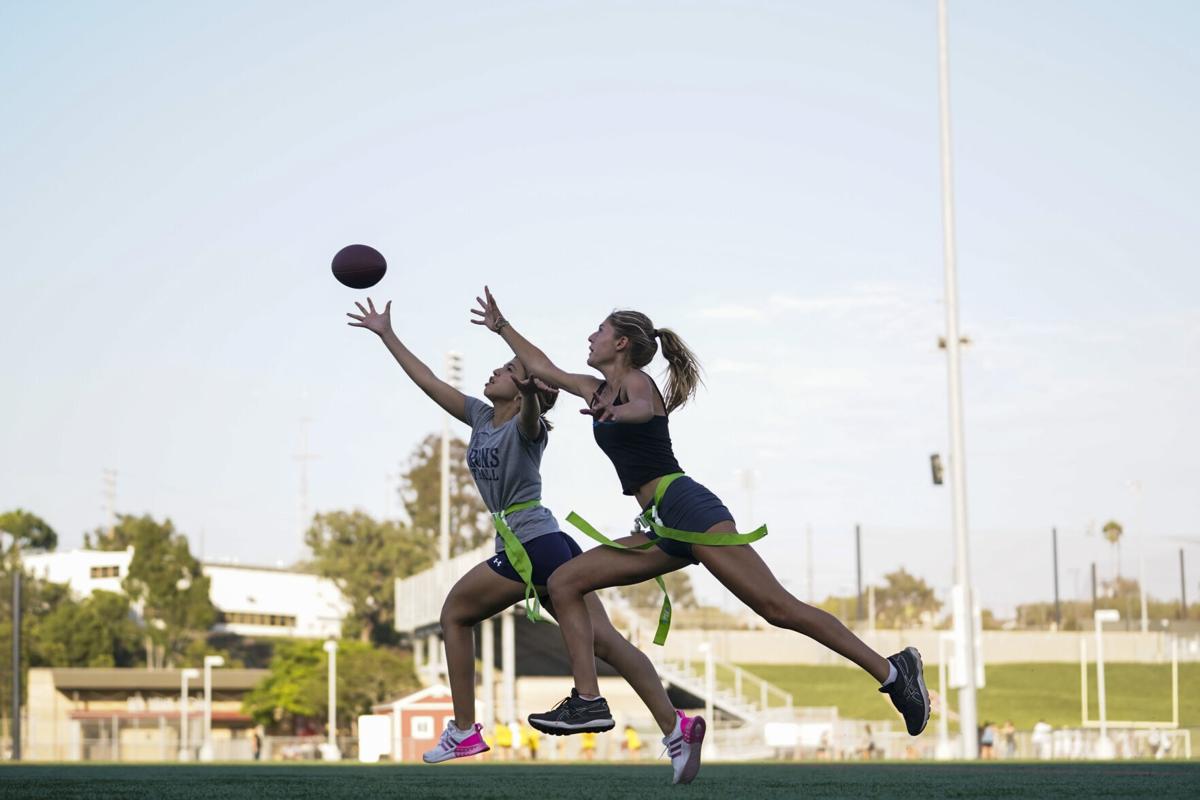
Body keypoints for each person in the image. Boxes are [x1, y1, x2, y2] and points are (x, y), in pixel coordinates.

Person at [471, 289, 931, 739]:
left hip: (688, 507)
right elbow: (543, 367)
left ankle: (894, 672)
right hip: (660, 525)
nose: (590, 337)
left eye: (600, 331)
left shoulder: (634, 384)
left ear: (621, 344)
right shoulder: (594, 388)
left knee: (777, 608)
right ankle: (588, 701)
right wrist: (502, 327)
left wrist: (618, 414)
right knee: (567, 580)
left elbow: (646, 408)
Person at [347, 298, 703, 784]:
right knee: (608, 644)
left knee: (455, 613)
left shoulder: (525, 426)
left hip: (533, 546)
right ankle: (676, 727)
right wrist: (387, 335)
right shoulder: (479, 417)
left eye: (507, 371)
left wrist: (535, 392)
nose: (494, 372)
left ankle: (466, 729)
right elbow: (429, 381)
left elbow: (535, 412)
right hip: (547, 545)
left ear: (522, 391)